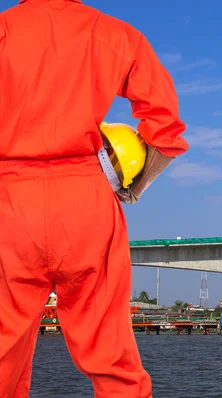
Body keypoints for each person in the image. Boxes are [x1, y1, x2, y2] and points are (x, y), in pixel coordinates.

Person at [0, 0, 188, 396]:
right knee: (112, 357)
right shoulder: (115, 34)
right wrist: (134, 189)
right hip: (87, 201)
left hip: (10, 203)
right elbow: (166, 133)